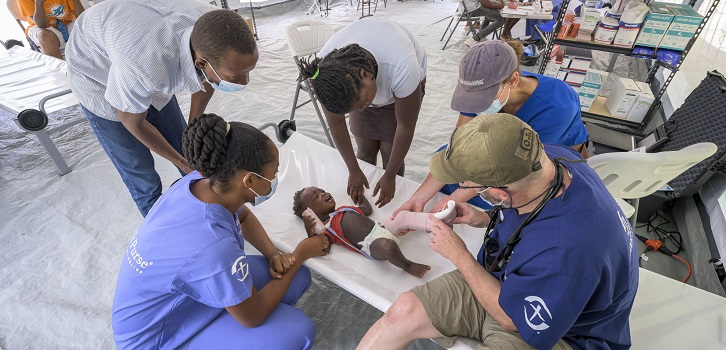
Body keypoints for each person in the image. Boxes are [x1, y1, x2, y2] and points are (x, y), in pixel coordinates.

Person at [359, 113, 639, 350]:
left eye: (469, 185)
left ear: (496, 191)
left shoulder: (567, 251)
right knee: (403, 312)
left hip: (565, 333)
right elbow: (531, 214)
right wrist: (483, 217)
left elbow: (513, 320)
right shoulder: (549, 159)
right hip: (506, 279)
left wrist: (460, 256)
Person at [112, 114, 329, 349]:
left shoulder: (200, 182)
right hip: (157, 340)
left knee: (297, 278)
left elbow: (243, 216)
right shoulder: (214, 246)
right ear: (249, 181)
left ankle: (244, 319)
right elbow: (253, 316)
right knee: (298, 330)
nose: (274, 180)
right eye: (273, 175)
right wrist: (300, 254)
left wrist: (273, 255)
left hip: (180, 299)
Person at [66, 1, 259, 216]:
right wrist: (181, 162)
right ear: (201, 63)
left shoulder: (216, 26)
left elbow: (206, 80)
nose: (244, 82)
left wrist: (191, 129)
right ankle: (165, 232)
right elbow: (132, 121)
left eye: (248, 71)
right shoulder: (145, 64)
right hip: (94, 69)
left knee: (187, 149)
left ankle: (206, 214)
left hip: (135, 38)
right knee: (142, 174)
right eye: (235, 76)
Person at [393, 40, 589, 215]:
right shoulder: (483, 86)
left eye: (481, 100)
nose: (475, 106)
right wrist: (418, 199)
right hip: (505, 151)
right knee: (448, 165)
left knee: (501, 197)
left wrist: (453, 200)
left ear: (512, 81)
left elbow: (508, 167)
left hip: (547, 161)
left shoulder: (557, 106)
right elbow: (458, 148)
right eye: (471, 99)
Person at [297, 18, 426, 209]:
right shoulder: (326, 76)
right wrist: (353, 169)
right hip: (360, 89)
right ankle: (367, 186)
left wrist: (390, 175)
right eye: (354, 109)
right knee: (365, 150)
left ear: (365, 75)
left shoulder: (402, 66)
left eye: (364, 103)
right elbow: (336, 123)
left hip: (400, 88)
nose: (364, 109)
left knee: (390, 153)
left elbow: (405, 126)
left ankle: (393, 197)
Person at [292, 187, 456, 278]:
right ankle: (407, 265)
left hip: (381, 228)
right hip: (371, 246)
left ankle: (437, 220)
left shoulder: (343, 209)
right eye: (316, 197)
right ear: (310, 213)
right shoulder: (327, 230)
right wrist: (310, 229)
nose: (324, 193)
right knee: (388, 247)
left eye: (322, 190)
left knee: (402, 217)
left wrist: (361, 196)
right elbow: (322, 247)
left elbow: (366, 211)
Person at [17, 0, 84, 59]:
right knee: (45, 35)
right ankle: (60, 71)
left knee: (86, 24)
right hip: (40, 27)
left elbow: (82, 16)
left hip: (66, 23)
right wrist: (39, 2)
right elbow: (41, 25)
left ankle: (89, 66)